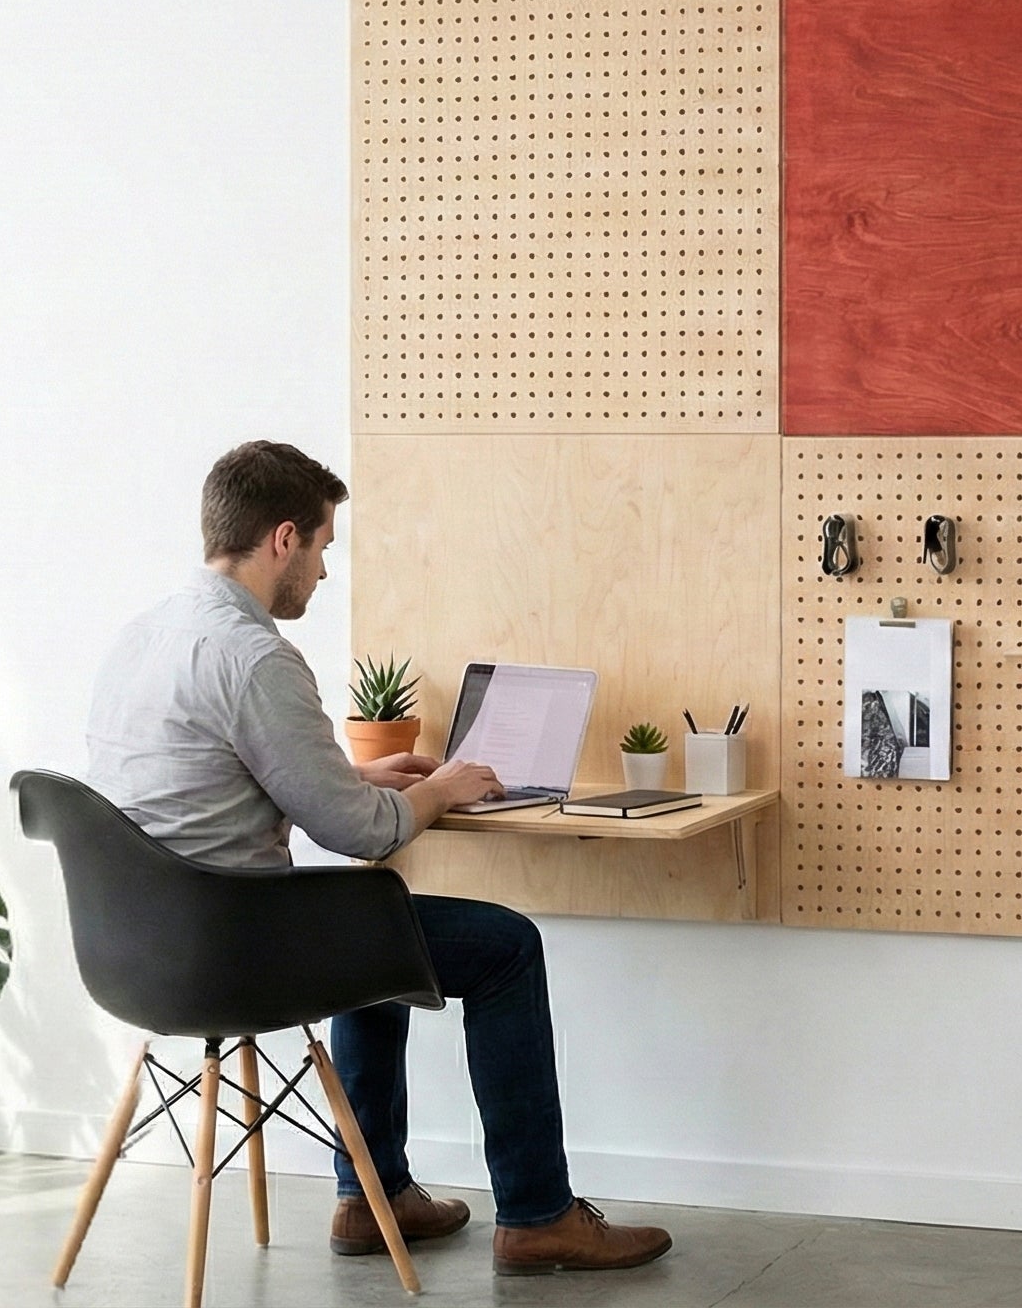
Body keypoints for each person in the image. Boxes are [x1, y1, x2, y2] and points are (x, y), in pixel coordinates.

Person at [83, 439, 672, 1276]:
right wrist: (441, 787)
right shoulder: (256, 657)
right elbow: (361, 835)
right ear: (283, 539)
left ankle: (372, 1196)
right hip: (234, 953)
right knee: (504, 946)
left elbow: (208, 776)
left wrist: (350, 775)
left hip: (136, 952)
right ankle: (538, 1215)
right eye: (323, 546)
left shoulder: (144, 635)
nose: (323, 572)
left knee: (368, 922)